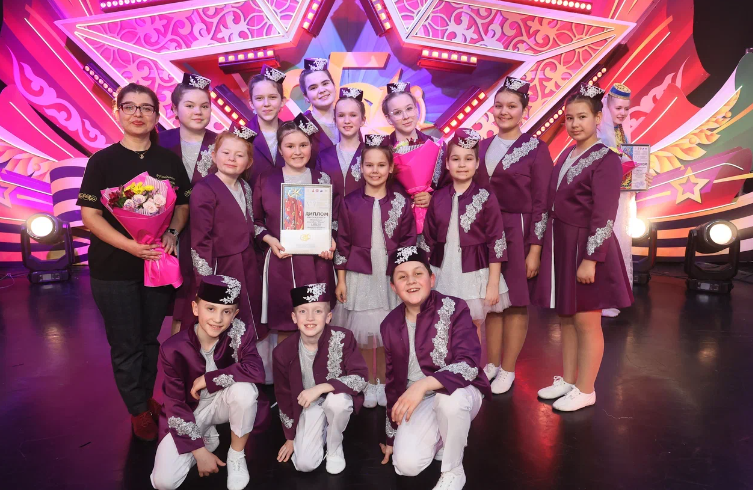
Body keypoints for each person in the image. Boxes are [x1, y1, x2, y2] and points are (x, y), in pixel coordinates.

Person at [77, 83, 191, 441]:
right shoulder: (102, 161)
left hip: (156, 263)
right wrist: (130, 246)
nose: (138, 114)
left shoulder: (168, 161)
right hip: (113, 268)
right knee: (126, 342)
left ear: (157, 116)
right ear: (118, 112)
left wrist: (172, 231)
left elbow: (182, 205)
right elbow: (90, 217)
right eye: (130, 107)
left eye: (146, 108)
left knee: (149, 338)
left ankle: (144, 397)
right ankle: (138, 409)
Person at [532, 85, 634, 412]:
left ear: (598, 118)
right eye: (570, 118)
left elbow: (604, 215)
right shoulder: (566, 154)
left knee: (587, 321)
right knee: (567, 318)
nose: (575, 124)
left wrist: (591, 258)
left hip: (588, 246)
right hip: (563, 244)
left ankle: (586, 389)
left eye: (582, 117)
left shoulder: (607, 159)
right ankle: (569, 379)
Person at [380, 246, 491, 490]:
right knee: (406, 466)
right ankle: (444, 436)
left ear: (431, 279)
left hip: (459, 391)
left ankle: (454, 471)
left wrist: (423, 385)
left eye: (418, 273)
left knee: (449, 402)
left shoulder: (455, 308)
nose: (411, 281)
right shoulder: (389, 324)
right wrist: (391, 437)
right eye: (402, 277)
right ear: (393, 287)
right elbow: (392, 381)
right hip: (420, 400)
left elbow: (470, 363)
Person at [475, 76, 554, 394]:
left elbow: (542, 203)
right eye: (499, 106)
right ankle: (491, 363)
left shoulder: (536, 149)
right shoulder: (481, 147)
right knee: (491, 301)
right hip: (484, 233)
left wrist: (535, 249)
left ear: (524, 110)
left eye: (512, 106)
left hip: (518, 232)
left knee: (517, 303)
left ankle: (508, 369)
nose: (504, 112)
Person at [150, 275, 265, 490]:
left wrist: (209, 379)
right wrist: (199, 452)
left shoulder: (240, 333)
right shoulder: (172, 348)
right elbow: (176, 404)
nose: (218, 319)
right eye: (210, 309)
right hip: (189, 412)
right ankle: (206, 436)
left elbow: (256, 370)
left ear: (235, 314)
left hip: (223, 402)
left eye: (226, 311)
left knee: (245, 391)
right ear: (195, 308)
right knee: (163, 482)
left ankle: (236, 455)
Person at [333, 135, 417, 408]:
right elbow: (343, 243)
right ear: (361, 167)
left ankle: (383, 380)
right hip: (360, 274)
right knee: (364, 332)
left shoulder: (401, 202)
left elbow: (408, 243)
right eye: (369, 165)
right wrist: (341, 279)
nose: (375, 171)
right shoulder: (349, 202)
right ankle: (368, 381)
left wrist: (406, 278)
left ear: (391, 168)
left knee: (385, 332)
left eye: (381, 165)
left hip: (390, 274)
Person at [252, 114, 336, 346]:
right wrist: (269, 240)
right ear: (280, 150)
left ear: (311, 147)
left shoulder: (323, 179)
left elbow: (335, 219)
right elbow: (255, 221)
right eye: (290, 146)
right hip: (282, 261)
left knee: (317, 324)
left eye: (303, 145)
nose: (297, 152)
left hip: (317, 261)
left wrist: (331, 240)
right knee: (286, 326)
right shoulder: (266, 180)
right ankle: (285, 370)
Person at [423, 128, 511, 344]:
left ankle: (470, 365)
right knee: (442, 326)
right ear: (447, 163)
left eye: (468, 159)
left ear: (477, 163)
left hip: (473, 273)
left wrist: (493, 284)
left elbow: (497, 242)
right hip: (442, 272)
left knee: (472, 325)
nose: (462, 164)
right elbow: (427, 240)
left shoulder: (486, 197)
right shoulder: (438, 198)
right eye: (456, 159)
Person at [274, 283, 369, 474]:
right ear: (294, 317)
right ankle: (323, 428)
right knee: (304, 464)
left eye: (317, 311)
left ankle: (334, 446)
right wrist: (290, 437)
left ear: (328, 317)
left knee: (337, 401)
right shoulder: (282, 352)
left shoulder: (344, 337)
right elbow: (283, 395)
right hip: (308, 406)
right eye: (303, 311)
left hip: (336, 399)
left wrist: (322, 387)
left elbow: (360, 378)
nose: (310, 318)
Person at [182, 125, 263, 344]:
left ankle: (245, 359)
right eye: (226, 153)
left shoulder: (245, 187)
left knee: (246, 314)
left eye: (240, 155)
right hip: (221, 265)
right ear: (214, 155)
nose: (231, 159)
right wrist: (205, 281)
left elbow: (249, 224)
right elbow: (200, 239)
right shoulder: (204, 189)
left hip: (246, 262)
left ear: (249, 162)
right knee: (221, 319)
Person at [161, 74, 217, 335]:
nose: (198, 112)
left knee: (208, 301)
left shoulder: (222, 144)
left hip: (210, 236)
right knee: (178, 306)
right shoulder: (159, 143)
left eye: (204, 106)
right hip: (166, 237)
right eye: (190, 105)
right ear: (174, 109)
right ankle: (178, 356)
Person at [597, 83, 641, 317]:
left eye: (626, 109)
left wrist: (640, 176)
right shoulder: (597, 133)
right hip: (604, 197)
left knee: (620, 241)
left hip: (621, 197)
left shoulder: (623, 132)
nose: (622, 113)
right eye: (618, 108)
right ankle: (600, 298)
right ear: (607, 107)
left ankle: (615, 295)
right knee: (604, 243)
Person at [383, 82, 449, 213]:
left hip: (432, 218)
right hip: (396, 218)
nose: (406, 116)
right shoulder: (382, 150)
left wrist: (433, 198)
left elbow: (451, 185)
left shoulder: (437, 146)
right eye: (397, 112)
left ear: (416, 109)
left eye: (409, 109)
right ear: (389, 119)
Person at [315, 87, 366, 202]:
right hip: (331, 213)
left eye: (353, 115)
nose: (347, 121)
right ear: (335, 120)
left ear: (363, 120)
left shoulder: (371, 153)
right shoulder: (323, 157)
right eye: (341, 115)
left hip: (364, 212)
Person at [247, 65, 287, 186]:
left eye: (272, 97)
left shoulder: (294, 133)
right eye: (259, 98)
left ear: (282, 101)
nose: (266, 104)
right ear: (251, 103)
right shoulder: (240, 137)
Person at [299, 57, 339, 162]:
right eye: (313, 88)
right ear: (306, 96)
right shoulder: (301, 124)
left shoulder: (348, 117)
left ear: (333, 86)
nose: (321, 90)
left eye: (325, 83)